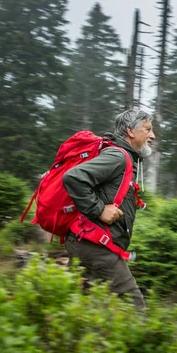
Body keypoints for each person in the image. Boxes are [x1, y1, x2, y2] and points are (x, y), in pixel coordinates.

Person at [62, 109, 155, 310]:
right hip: (96, 247)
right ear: (130, 131)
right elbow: (73, 177)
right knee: (135, 308)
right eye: (148, 129)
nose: (152, 135)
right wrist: (99, 210)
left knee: (78, 309)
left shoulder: (126, 158)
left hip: (86, 242)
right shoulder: (118, 157)